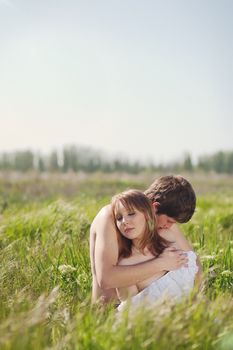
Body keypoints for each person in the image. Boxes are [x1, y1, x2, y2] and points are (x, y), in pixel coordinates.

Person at [90, 175, 202, 305]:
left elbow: (195, 263)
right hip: (111, 311)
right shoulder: (110, 217)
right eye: (169, 221)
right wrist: (161, 264)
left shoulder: (162, 223)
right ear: (154, 208)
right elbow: (106, 279)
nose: (169, 226)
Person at [111, 189, 198, 311]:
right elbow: (132, 313)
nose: (124, 221)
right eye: (119, 218)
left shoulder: (168, 237)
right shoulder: (125, 264)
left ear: (147, 214)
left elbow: (195, 270)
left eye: (131, 214)